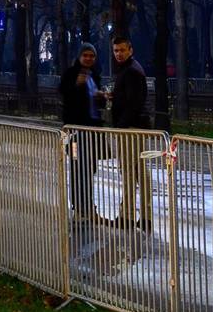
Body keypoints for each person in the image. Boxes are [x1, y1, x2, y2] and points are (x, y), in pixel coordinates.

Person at [108, 36, 152, 230]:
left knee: (129, 172)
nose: (118, 54)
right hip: (135, 126)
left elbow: (134, 103)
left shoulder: (131, 71)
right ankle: (145, 216)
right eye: (116, 50)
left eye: (122, 50)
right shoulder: (131, 69)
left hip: (130, 128)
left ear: (130, 50)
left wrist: (120, 125)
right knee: (138, 171)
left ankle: (127, 215)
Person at [60, 44, 101, 221]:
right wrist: (76, 85)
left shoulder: (94, 75)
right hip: (76, 132)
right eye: (85, 55)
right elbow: (64, 93)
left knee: (90, 169)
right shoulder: (71, 73)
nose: (89, 58)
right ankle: (78, 207)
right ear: (79, 56)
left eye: (92, 56)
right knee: (77, 168)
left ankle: (89, 205)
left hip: (92, 130)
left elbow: (95, 102)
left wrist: (101, 97)